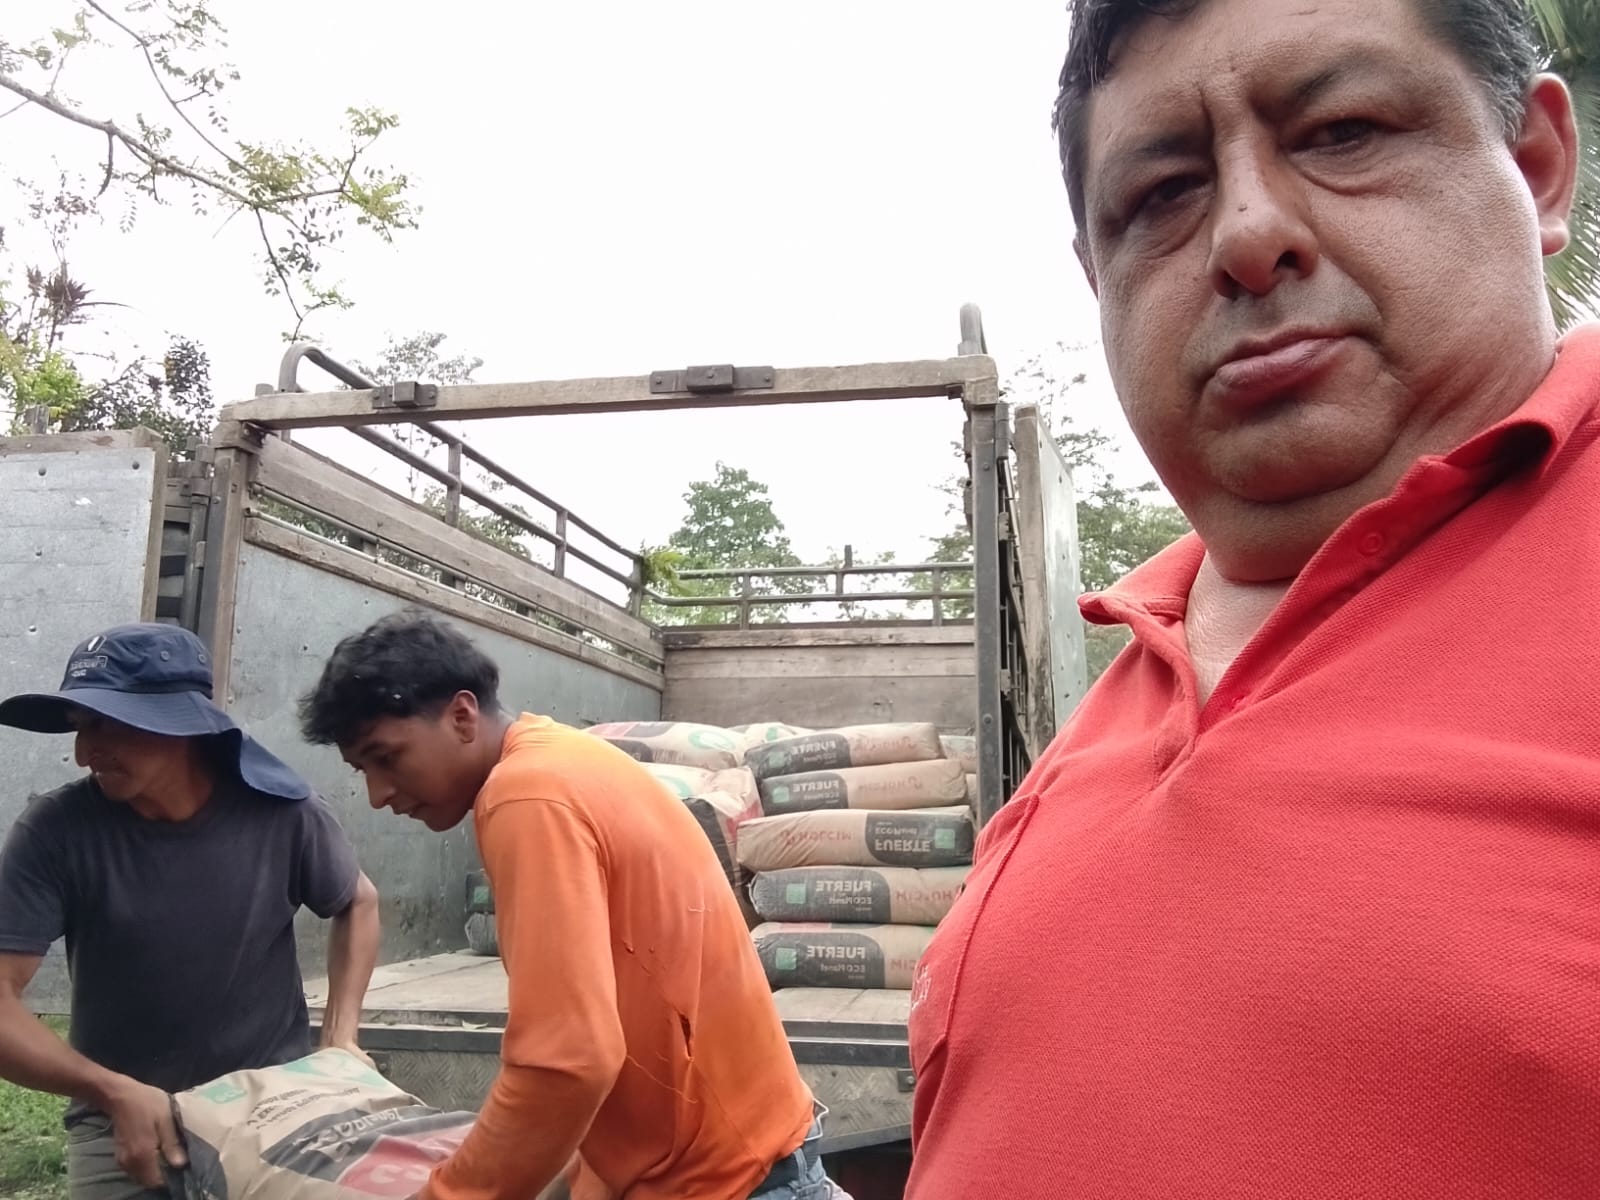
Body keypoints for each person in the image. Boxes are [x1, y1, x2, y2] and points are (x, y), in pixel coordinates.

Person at [905, 0, 1600, 1197]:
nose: (1244, 234)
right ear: (1097, 277)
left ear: (1535, 167)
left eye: (1342, 132)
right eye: (1160, 194)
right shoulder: (1130, 662)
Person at [298, 609, 846, 1200]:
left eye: (386, 758)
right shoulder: (561, 758)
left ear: (461, 716)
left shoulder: (525, 795)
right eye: (363, 770)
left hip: (728, 1184)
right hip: (752, 1162)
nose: (378, 795)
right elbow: (621, 1018)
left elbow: (566, 1063)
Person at [0, 623, 381, 1200]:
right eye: (80, 726)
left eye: (106, 724)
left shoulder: (284, 813)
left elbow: (357, 899)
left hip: (271, 1108)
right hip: (123, 1125)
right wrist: (110, 1090)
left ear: (181, 723)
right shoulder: (55, 831)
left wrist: (340, 1035)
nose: (82, 753)